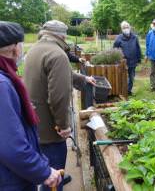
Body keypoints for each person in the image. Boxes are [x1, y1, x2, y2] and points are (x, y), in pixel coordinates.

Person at [24, 20, 96, 191]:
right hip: (50, 126)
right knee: (54, 169)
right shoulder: (58, 55)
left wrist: (83, 78)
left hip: (34, 119)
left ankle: (55, 178)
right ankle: (55, 182)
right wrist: (63, 126)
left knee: (44, 164)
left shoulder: (35, 49)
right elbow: (58, 98)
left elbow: (58, 72)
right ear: (61, 35)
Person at [0, 21, 62, 191]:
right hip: (10, 181)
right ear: (15, 49)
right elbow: (10, 146)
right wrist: (43, 172)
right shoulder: (2, 85)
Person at [113, 21, 142, 95]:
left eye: (127, 27)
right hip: (123, 61)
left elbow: (138, 48)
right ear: (122, 29)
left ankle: (128, 91)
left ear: (130, 27)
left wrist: (139, 59)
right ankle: (123, 91)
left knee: (131, 77)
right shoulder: (118, 38)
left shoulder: (134, 37)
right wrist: (117, 59)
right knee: (123, 77)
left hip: (133, 61)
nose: (126, 29)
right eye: (124, 27)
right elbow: (114, 49)